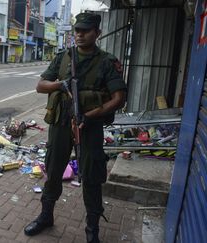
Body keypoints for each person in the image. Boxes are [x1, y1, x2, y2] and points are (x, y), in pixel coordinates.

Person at [24, 13, 127, 243]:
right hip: (61, 124)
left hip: (90, 126)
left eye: (86, 30)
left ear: (97, 33)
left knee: (91, 176)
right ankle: (46, 216)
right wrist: (60, 85)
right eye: (77, 30)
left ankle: (92, 230)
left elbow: (119, 98)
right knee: (53, 170)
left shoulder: (107, 62)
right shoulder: (62, 58)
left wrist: (91, 116)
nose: (79, 34)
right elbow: (40, 86)